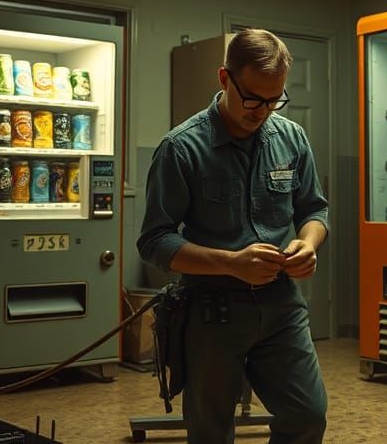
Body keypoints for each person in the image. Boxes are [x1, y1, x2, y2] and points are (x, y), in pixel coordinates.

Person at [138, 28, 329, 444]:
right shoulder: (182, 148)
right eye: (252, 98)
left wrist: (309, 244)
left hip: (282, 308)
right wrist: (231, 263)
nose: (262, 110)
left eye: (274, 99)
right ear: (225, 79)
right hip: (213, 310)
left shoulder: (291, 138)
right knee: (210, 431)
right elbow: (155, 241)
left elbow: (314, 209)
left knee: (308, 415)